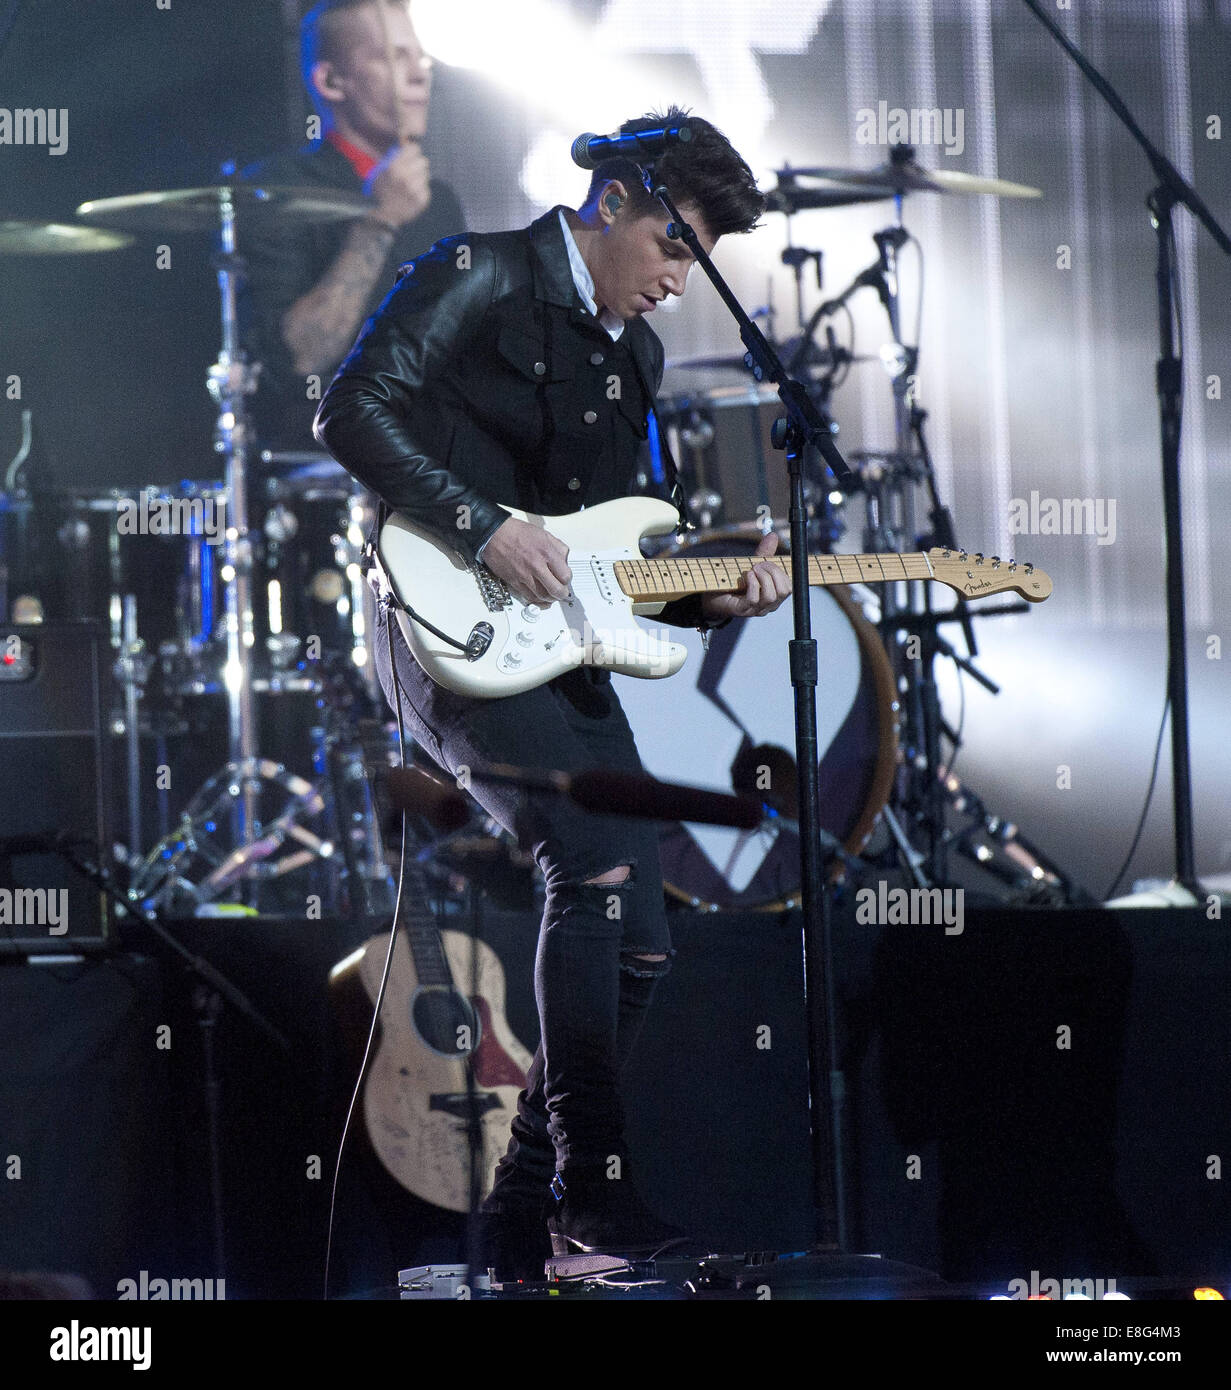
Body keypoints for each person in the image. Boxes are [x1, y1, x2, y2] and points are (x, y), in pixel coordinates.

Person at [314, 108, 791, 1280]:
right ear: (615, 200)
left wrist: (708, 599)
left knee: (645, 940)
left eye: (700, 263)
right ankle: (600, 1196)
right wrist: (480, 524)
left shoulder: (634, 355)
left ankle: (524, 1215)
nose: (680, 280)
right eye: (676, 247)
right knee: (594, 865)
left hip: (560, 649)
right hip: (444, 631)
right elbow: (347, 405)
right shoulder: (479, 272)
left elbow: (608, 570)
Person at [241, 0, 464, 449]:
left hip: (434, 461)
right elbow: (301, 355)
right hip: (327, 464)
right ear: (330, 80)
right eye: (390, 57)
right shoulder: (280, 192)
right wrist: (379, 220)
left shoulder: (438, 202)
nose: (420, 74)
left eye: (419, 56)